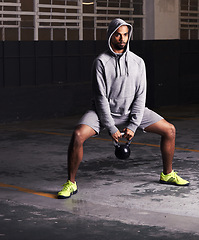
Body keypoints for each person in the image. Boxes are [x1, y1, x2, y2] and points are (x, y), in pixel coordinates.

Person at [57, 18, 189, 199]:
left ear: (129, 36)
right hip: (102, 112)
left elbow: (141, 95)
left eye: (125, 35)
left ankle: (167, 174)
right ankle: (71, 183)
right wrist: (111, 127)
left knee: (170, 130)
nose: (121, 38)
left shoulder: (138, 62)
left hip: (130, 112)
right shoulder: (100, 62)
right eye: (118, 34)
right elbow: (100, 97)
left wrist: (133, 125)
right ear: (111, 36)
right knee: (78, 135)